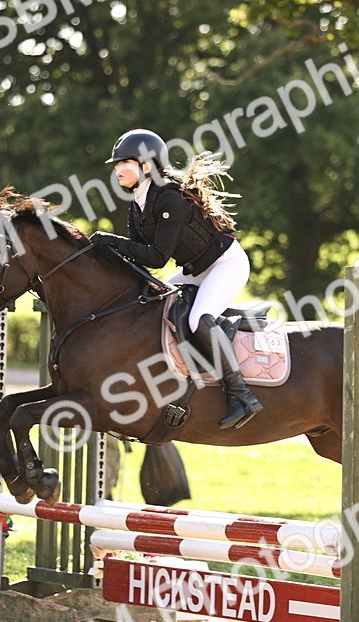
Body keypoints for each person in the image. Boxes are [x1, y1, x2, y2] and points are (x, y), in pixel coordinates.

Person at [90, 128, 262, 429]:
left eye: (123, 163)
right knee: (155, 304)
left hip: (226, 264)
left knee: (198, 319)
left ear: (146, 166)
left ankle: (242, 395)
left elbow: (157, 257)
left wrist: (111, 241)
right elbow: (138, 258)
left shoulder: (170, 198)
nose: (117, 170)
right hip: (195, 268)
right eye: (116, 165)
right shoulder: (138, 203)